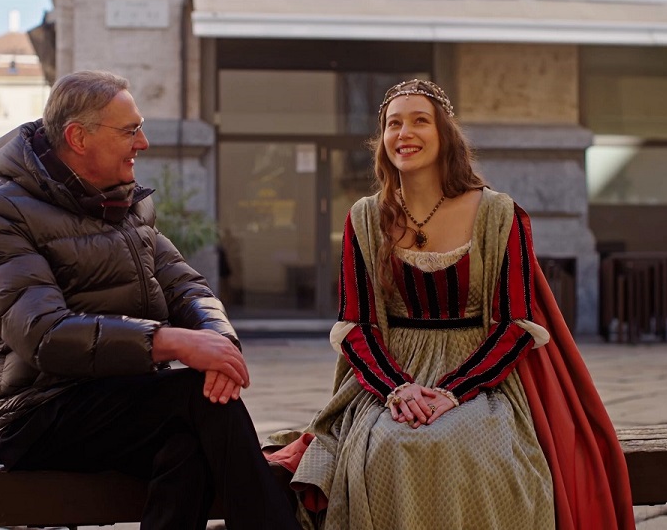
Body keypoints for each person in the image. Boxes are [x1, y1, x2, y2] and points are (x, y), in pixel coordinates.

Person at [265, 79, 635, 529]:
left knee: (472, 445)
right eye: (393, 124)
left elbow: (514, 324)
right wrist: (399, 390)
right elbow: (357, 326)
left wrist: (452, 391)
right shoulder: (365, 217)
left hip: (481, 377)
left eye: (420, 121)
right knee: (388, 446)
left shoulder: (499, 214)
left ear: (445, 134)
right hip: (391, 377)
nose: (405, 133)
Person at [0, 70, 300, 530]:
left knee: (190, 445)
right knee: (198, 401)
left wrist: (217, 342)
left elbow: (188, 287)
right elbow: (42, 334)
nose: (143, 142)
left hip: (126, 401)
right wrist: (171, 342)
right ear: (78, 137)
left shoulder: (127, 204)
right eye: (130, 130)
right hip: (37, 413)